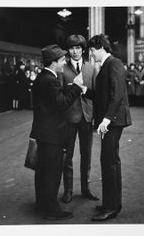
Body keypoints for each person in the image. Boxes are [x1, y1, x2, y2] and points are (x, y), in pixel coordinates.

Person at [29, 44, 85, 220]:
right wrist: (76, 86)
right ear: (53, 63)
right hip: (52, 134)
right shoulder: (51, 80)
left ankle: (42, 205)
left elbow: (53, 101)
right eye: (62, 60)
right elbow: (61, 103)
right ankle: (52, 210)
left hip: (43, 133)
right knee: (52, 174)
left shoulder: (42, 78)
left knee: (42, 172)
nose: (64, 62)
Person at [84, 34, 132, 221]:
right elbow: (103, 95)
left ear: (100, 48)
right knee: (108, 161)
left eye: (92, 50)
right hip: (110, 121)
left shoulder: (114, 64)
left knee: (110, 161)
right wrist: (85, 91)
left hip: (113, 122)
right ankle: (110, 203)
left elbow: (117, 94)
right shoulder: (107, 65)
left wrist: (106, 119)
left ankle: (112, 207)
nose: (91, 54)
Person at [58, 34, 99, 203]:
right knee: (67, 156)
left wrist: (96, 118)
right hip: (68, 119)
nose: (75, 51)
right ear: (68, 50)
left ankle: (86, 189)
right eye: (71, 48)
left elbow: (95, 94)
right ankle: (68, 190)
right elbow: (59, 95)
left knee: (86, 155)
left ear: (83, 49)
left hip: (87, 117)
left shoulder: (91, 69)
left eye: (78, 48)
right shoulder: (62, 69)